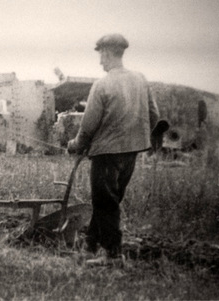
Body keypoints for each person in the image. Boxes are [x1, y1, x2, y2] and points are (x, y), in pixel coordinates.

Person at [67, 33, 159, 265]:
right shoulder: (140, 79)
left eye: (100, 56)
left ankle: (113, 255)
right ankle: (89, 248)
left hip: (106, 154)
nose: (100, 62)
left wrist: (76, 145)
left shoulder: (102, 85)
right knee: (108, 201)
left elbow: (88, 126)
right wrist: (137, 138)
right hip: (131, 152)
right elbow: (154, 115)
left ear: (107, 53)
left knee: (105, 203)